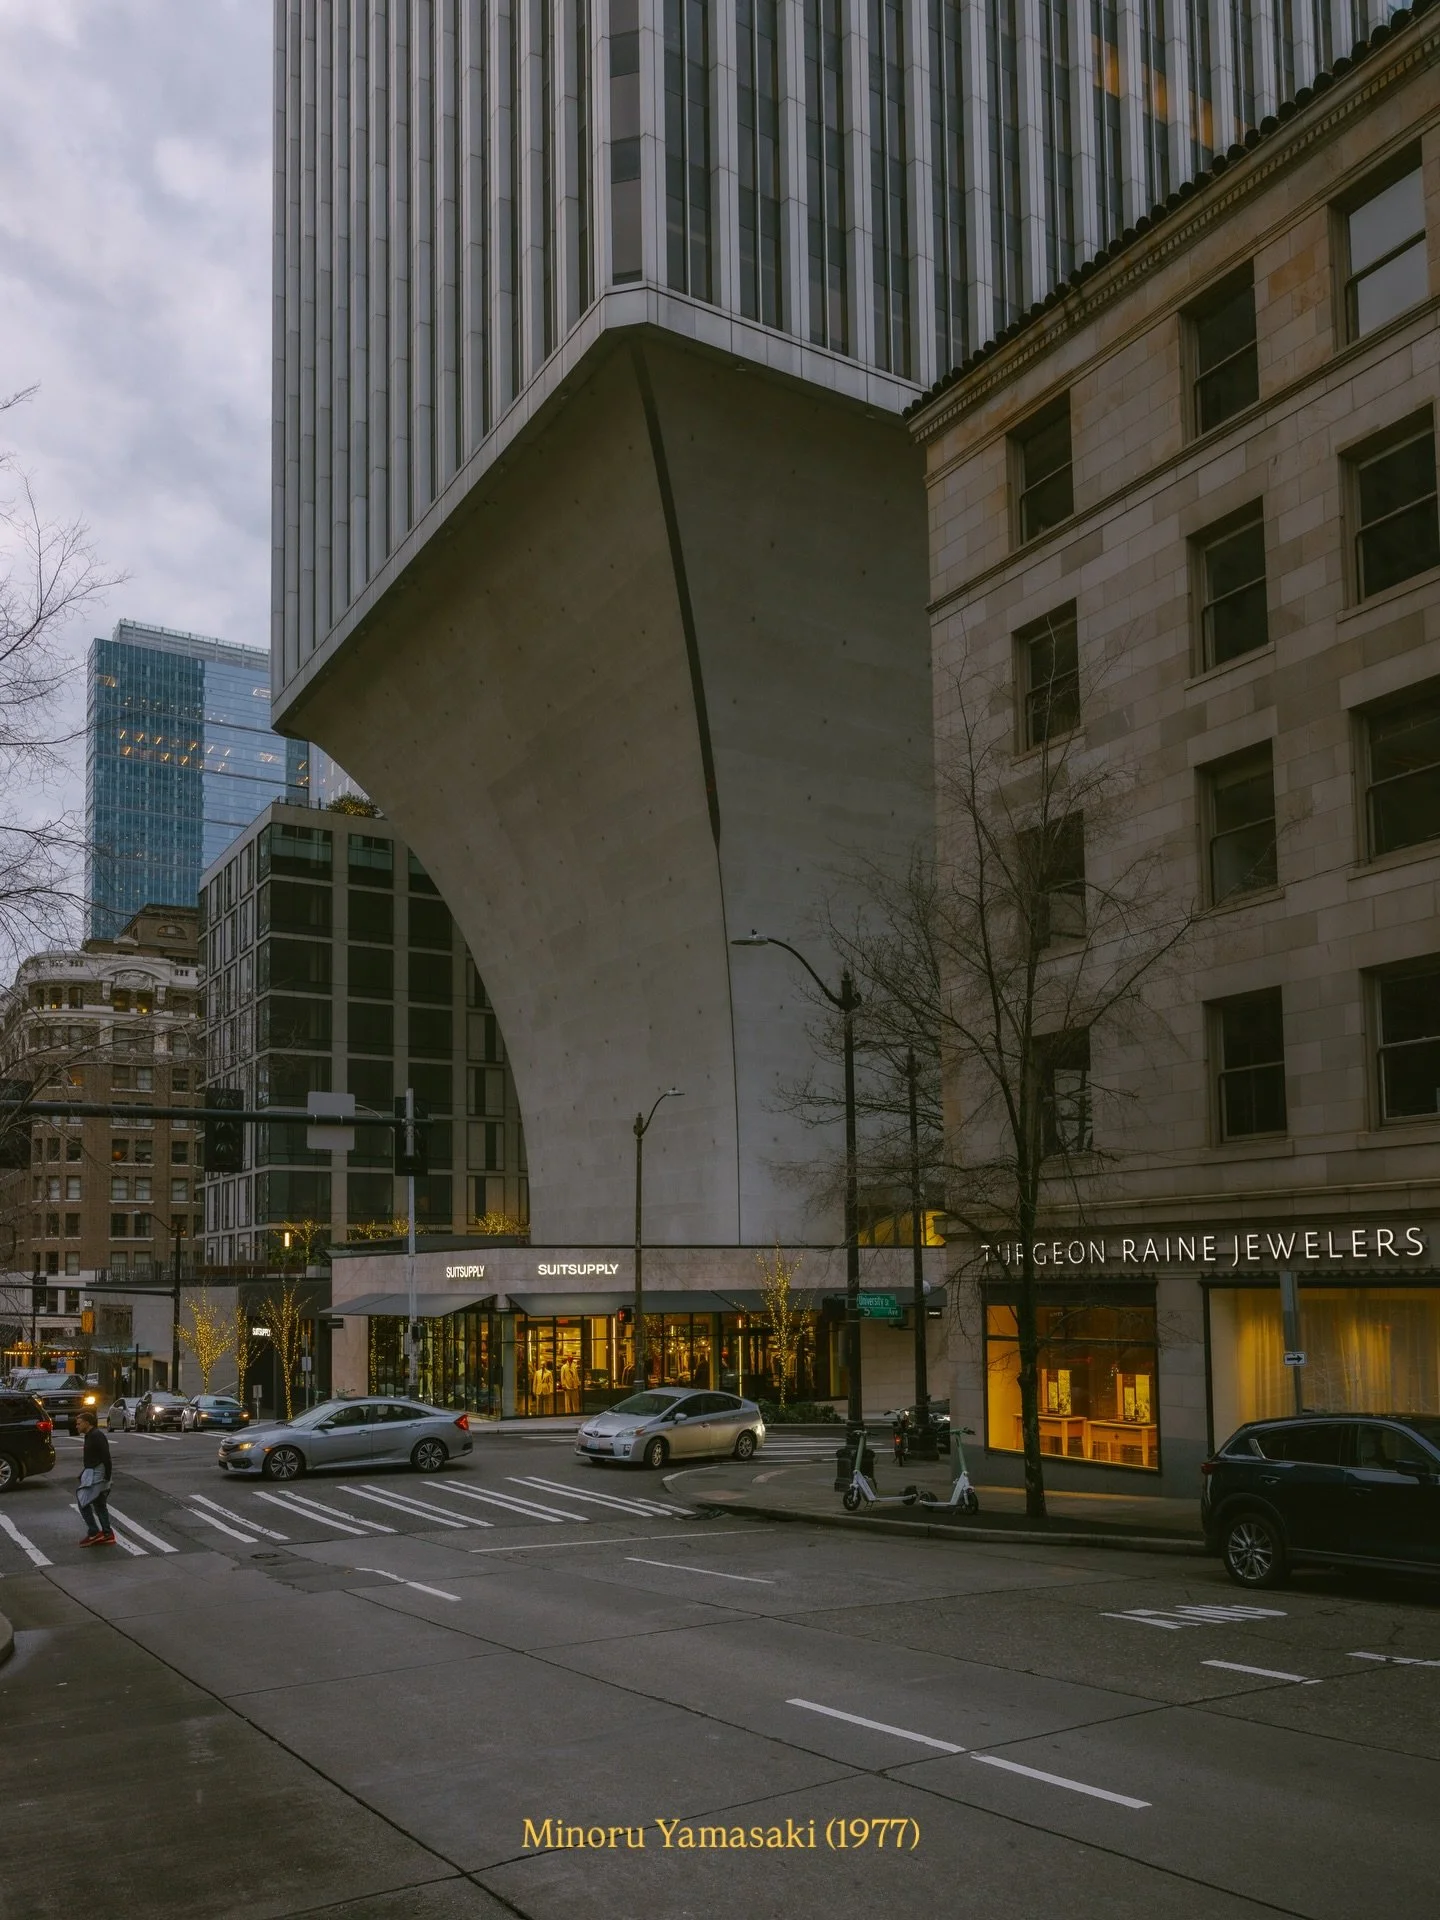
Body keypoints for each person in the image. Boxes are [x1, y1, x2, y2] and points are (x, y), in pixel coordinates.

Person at [75, 1410, 115, 1546]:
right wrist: (83, 1473)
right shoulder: (90, 1435)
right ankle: (107, 1534)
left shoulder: (96, 1436)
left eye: (79, 1423)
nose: (77, 1426)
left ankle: (94, 1532)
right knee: (99, 1504)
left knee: (83, 1501)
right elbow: (93, 1458)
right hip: (93, 1472)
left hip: (98, 1474)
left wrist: (107, 1476)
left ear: (87, 1423)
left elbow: (106, 1457)